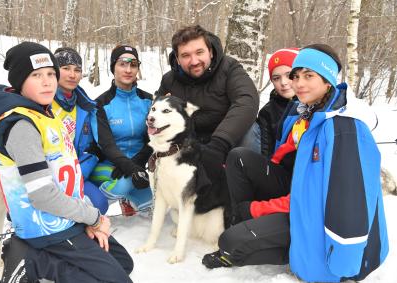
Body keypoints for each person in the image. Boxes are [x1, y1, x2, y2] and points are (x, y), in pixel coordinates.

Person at [203, 44, 389, 283]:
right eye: (296, 76)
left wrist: (345, 267)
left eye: (309, 76)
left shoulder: (343, 129)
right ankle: (254, 228)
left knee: (230, 243)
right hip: (304, 208)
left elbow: (348, 202)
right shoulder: (309, 114)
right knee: (239, 159)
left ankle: (259, 235)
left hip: (320, 225)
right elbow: (296, 173)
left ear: (328, 80)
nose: (298, 84)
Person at [0, 42, 133, 283]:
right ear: (20, 81)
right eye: (36, 75)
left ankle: (46, 255)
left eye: (51, 74)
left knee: (124, 263)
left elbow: (67, 175)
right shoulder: (21, 125)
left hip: (67, 218)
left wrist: (86, 218)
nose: (47, 82)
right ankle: (32, 259)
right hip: (46, 227)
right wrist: (92, 218)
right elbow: (42, 195)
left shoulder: (44, 113)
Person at [157, 25, 259, 213]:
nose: (194, 61)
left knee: (251, 130)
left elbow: (247, 101)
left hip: (227, 138)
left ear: (210, 51)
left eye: (199, 52)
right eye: (186, 55)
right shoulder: (169, 80)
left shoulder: (230, 68)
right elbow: (156, 116)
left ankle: (246, 202)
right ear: (177, 59)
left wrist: (219, 142)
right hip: (193, 143)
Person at [90, 45, 152, 216]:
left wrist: (135, 166)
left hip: (137, 165)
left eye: (133, 64)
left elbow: (152, 140)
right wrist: (129, 168)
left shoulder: (147, 101)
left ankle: (127, 198)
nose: (128, 69)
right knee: (124, 184)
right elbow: (106, 144)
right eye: (122, 64)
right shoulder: (101, 104)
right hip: (109, 165)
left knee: (149, 204)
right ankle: (92, 209)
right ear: (113, 67)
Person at [52, 47, 108, 214]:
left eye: (77, 70)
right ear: (54, 71)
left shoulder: (85, 106)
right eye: (66, 69)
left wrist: (76, 176)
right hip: (47, 175)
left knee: (99, 204)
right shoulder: (43, 100)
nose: (72, 75)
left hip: (76, 174)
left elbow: (91, 149)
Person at [240, 48, 298, 155]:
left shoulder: (314, 104)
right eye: (276, 78)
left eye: (289, 75)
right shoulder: (268, 112)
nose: (283, 82)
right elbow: (266, 150)